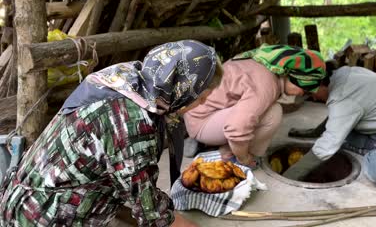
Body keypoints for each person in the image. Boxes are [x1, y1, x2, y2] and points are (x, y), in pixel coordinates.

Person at [0, 40, 223, 227]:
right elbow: (151, 212)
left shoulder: (132, 78)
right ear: (184, 88)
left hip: (26, 197)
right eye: (202, 97)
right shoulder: (131, 122)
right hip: (41, 216)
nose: (201, 104)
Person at [183, 44, 327, 168]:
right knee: (273, 113)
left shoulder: (263, 61)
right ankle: (231, 155)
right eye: (304, 89)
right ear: (291, 75)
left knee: (253, 111)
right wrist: (244, 157)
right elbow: (236, 128)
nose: (302, 93)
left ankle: (207, 143)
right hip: (202, 122)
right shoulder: (267, 84)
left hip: (196, 113)